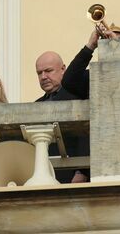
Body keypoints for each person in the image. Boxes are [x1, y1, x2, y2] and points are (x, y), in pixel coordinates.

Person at [34, 50, 88, 183]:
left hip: (74, 177)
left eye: (48, 70)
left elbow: (86, 134)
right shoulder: (35, 105)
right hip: (44, 179)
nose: (43, 76)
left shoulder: (78, 96)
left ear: (63, 69)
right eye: (39, 73)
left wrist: (82, 171)